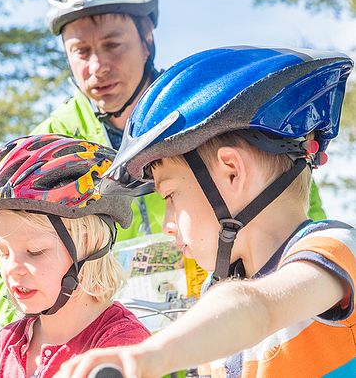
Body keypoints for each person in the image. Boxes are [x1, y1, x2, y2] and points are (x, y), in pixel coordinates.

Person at [0, 0, 327, 327]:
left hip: (228, 321)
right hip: (110, 340)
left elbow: (294, 200)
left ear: (148, 38)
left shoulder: (204, 115)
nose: (97, 67)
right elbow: (3, 247)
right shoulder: (49, 145)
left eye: (113, 45)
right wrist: (33, 330)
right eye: (81, 52)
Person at [55, 46, 356, 378]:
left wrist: (149, 356)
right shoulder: (217, 336)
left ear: (232, 172)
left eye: (169, 195)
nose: (167, 224)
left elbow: (256, 309)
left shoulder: (333, 250)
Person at [0, 134, 151, 378]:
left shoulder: (122, 346)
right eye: (3, 252)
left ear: (89, 245)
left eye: (35, 252)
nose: (13, 268)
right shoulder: (3, 346)